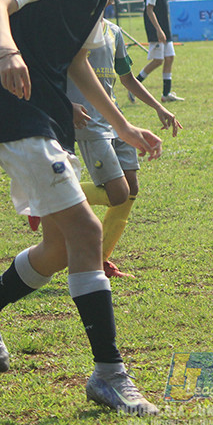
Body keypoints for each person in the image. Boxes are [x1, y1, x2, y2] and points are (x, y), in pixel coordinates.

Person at [0, 0, 177, 417]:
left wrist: (123, 128)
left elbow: (77, 61)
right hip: (17, 116)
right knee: (88, 231)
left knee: (58, 251)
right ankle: (109, 374)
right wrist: (8, 53)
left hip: (52, 120)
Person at [66, 16, 181, 278]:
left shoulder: (114, 32)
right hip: (88, 121)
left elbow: (127, 79)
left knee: (131, 189)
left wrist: (159, 107)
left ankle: (100, 262)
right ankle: (52, 197)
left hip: (115, 118)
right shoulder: (73, 28)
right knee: (117, 192)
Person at [134, 0, 183, 102]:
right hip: (156, 30)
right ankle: (135, 86)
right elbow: (150, 10)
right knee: (157, 60)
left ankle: (166, 94)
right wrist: (158, 30)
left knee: (169, 58)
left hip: (164, 30)